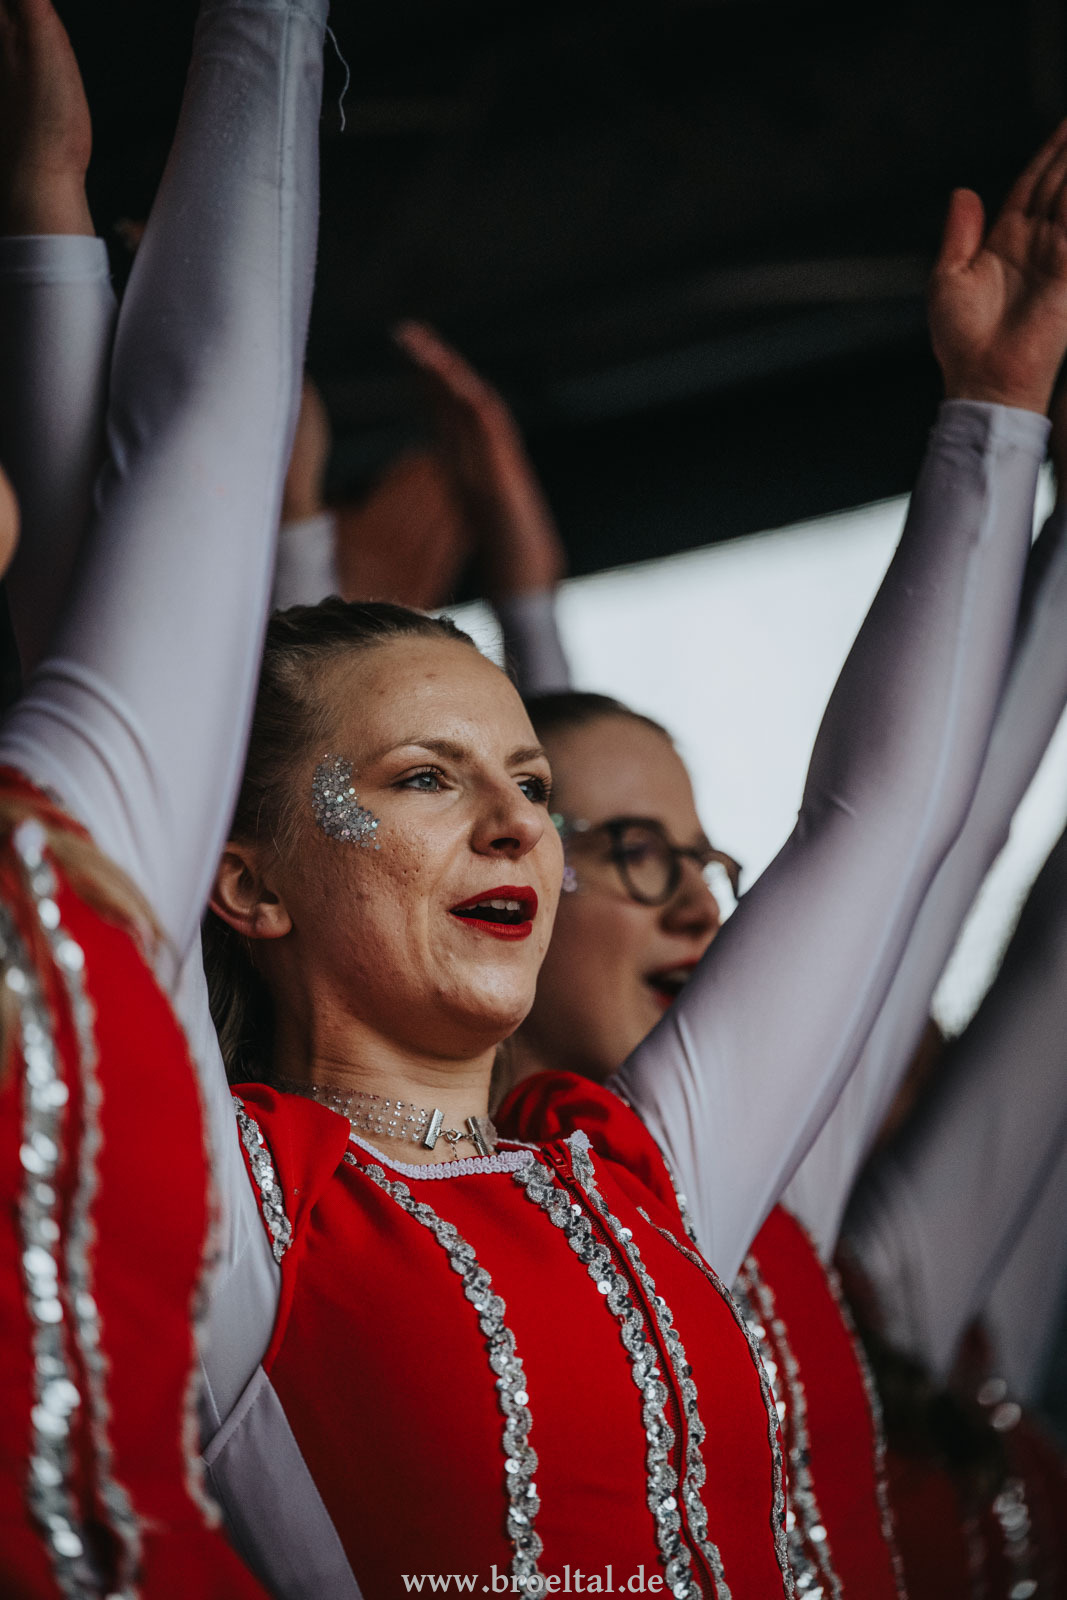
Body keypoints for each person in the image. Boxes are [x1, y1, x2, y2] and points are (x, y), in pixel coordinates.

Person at [10, 92, 1067, 1600]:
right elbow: (105, 708)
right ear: (240, 880)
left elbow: (885, 821)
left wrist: (994, 416)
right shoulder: (248, 1212)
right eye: (427, 779)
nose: (520, 826)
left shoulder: (641, 1173)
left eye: (527, 783)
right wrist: (131, 149)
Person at [0, 0, 325, 1592]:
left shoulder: (49, 864)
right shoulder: (54, 870)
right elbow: (208, 447)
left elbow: (199, 461)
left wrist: (43, 216)